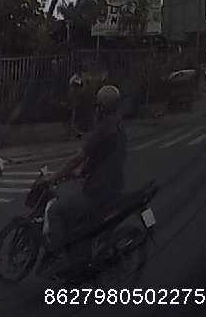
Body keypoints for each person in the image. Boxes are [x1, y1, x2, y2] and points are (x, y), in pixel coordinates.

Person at [46, 85, 127, 272]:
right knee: (76, 215)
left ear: (102, 107)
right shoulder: (118, 125)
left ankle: (61, 258)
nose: (95, 109)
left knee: (55, 211)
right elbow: (102, 157)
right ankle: (79, 254)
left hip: (99, 192)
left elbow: (77, 158)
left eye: (97, 106)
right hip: (114, 187)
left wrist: (55, 177)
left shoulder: (103, 129)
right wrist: (82, 172)